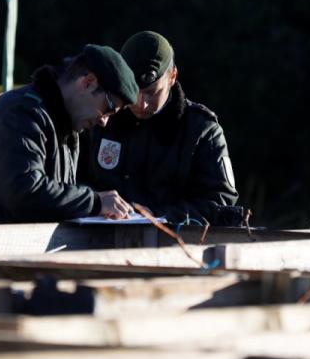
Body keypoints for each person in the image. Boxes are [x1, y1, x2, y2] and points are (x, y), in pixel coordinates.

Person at [0, 44, 139, 224]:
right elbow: (23, 192)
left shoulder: (67, 126)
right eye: (109, 108)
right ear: (88, 82)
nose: (104, 121)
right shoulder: (19, 114)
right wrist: (95, 202)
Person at [84, 31, 241, 225]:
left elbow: (219, 202)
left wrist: (159, 215)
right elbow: (74, 181)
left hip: (172, 245)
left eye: (152, 93)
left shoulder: (202, 130)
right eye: (134, 91)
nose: (142, 104)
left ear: (172, 76)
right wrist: (96, 203)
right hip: (97, 243)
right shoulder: (101, 117)